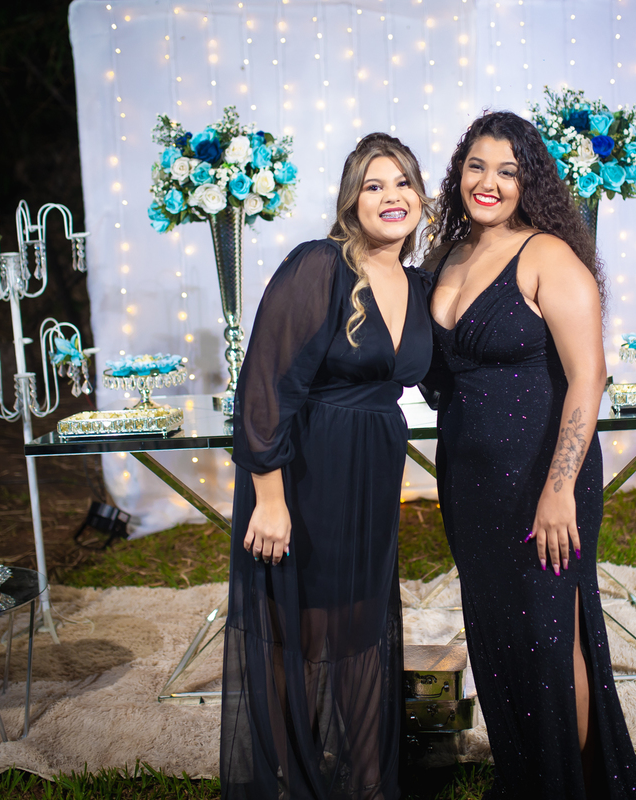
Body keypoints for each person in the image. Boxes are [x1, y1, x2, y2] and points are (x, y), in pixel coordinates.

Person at [421, 112, 636, 798]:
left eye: (507, 171)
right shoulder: (446, 257)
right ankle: (525, 777)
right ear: (459, 172)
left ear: (530, 183)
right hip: (469, 483)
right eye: (477, 166)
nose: (488, 183)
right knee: (497, 639)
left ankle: (566, 786)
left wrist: (559, 489)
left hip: (543, 479)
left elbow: (589, 376)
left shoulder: (547, 255)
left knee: (551, 644)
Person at [219, 133, 433, 800]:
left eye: (403, 182)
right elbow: (264, 384)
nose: (391, 196)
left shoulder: (421, 285)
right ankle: (294, 781)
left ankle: (366, 783)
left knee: (361, 624)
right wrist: (269, 498)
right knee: (304, 630)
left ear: (421, 197)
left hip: (373, 476)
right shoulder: (320, 265)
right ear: (351, 201)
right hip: (306, 475)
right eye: (374, 184)